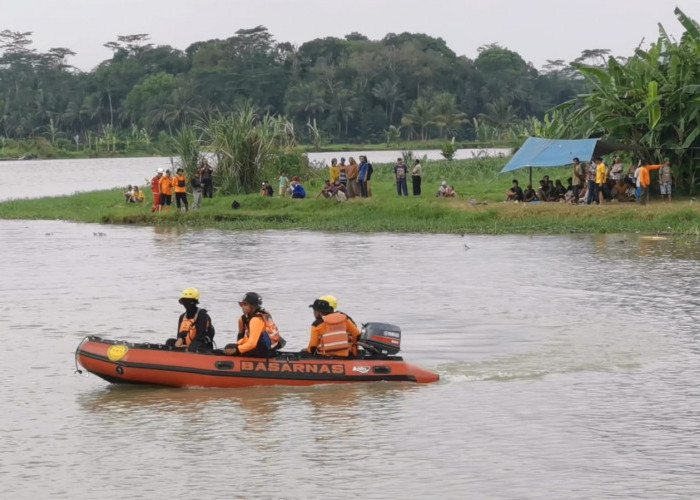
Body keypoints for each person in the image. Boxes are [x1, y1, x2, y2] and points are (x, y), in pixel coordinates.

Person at [224, 292, 283, 357]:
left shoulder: (256, 320)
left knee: (228, 347)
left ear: (253, 306)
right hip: (269, 347)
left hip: (264, 350)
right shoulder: (263, 314)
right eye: (241, 304)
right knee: (231, 347)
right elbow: (241, 335)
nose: (242, 307)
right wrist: (239, 345)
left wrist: (237, 350)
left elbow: (252, 344)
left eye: (245, 304)